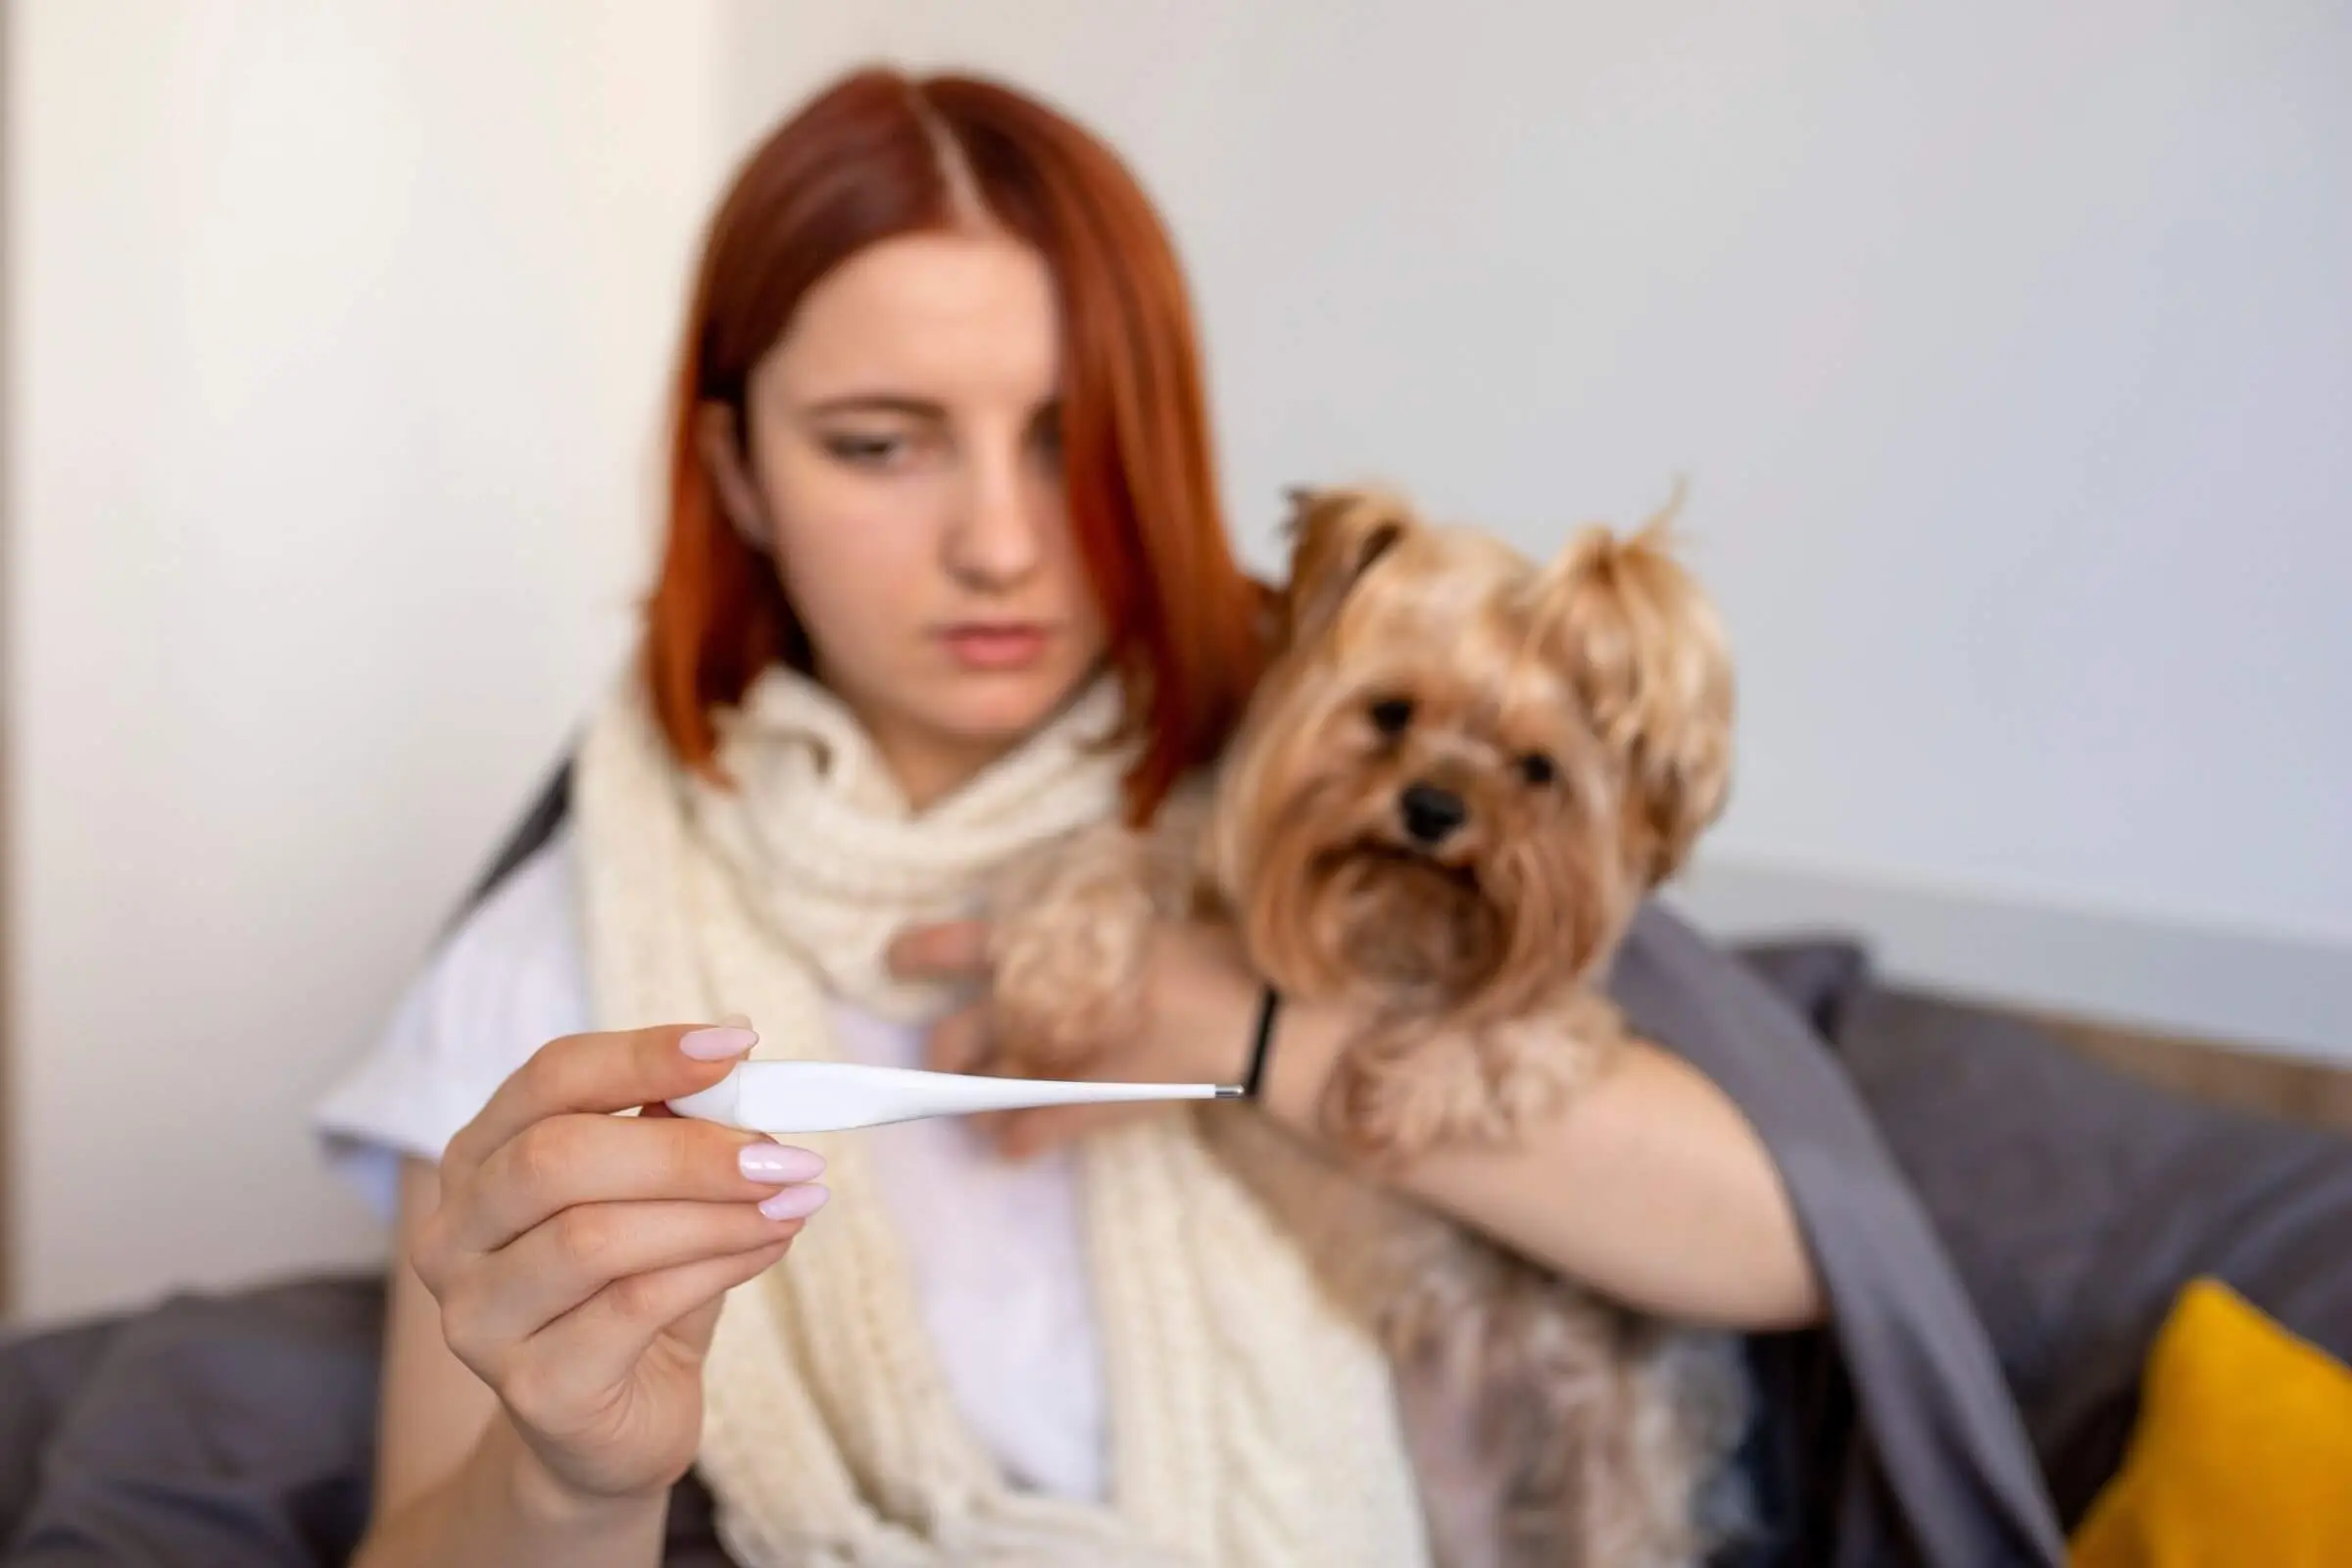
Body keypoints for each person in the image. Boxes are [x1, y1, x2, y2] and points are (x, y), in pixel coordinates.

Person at [313, 67, 2037, 1568]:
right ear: (739, 471)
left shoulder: (1308, 785)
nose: (998, 540)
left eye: (1071, 441)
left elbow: (1796, 1249)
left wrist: (1238, 1016)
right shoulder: (574, 944)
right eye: (879, 444)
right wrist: (566, 1478)